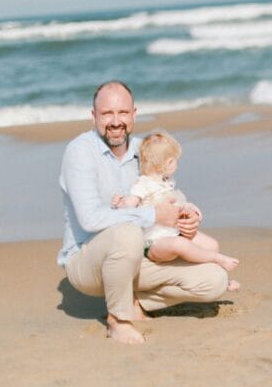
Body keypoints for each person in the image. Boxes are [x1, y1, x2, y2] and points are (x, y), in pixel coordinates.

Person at [57, 80, 229, 344]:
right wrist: (154, 216)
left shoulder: (143, 150)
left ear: (134, 114)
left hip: (139, 256)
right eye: (107, 114)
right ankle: (119, 319)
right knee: (126, 233)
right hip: (87, 261)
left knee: (214, 280)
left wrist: (187, 216)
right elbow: (91, 219)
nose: (116, 121)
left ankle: (131, 300)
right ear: (94, 117)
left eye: (123, 113)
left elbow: (166, 192)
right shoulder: (80, 152)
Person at [112, 129, 241, 285]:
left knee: (212, 245)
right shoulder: (143, 184)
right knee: (181, 244)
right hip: (155, 243)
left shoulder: (166, 182)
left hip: (176, 233)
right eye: (175, 160)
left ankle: (218, 277)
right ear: (168, 163)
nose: (177, 164)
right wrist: (121, 204)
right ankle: (217, 261)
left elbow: (175, 202)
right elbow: (131, 204)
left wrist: (189, 208)